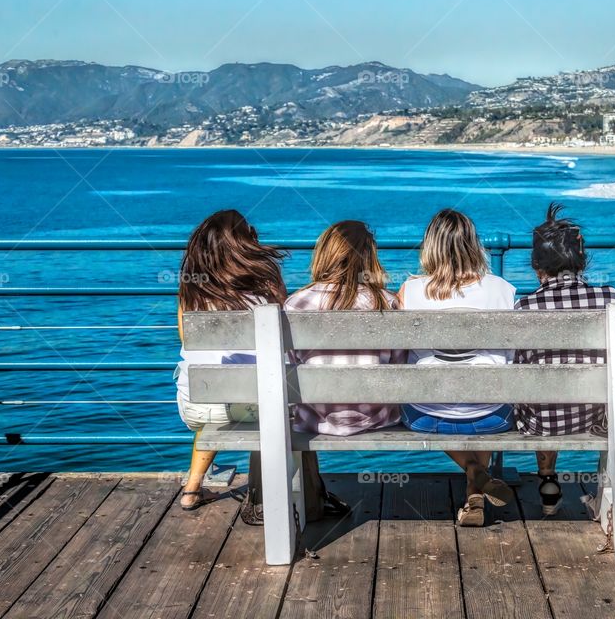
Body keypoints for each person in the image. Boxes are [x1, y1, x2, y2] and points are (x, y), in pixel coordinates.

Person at [397, 209, 516, 527]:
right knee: (489, 387)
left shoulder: (410, 291)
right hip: (492, 419)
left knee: (420, 398)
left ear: (430, 247)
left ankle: (474, 473)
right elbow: (510, 355)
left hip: (427, 418)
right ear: (473, 246)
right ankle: (474, 484)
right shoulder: (502, 289)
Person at [514, 202, 615, 515]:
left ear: (537, 266)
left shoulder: (525, 307)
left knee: (541, 388)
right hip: (599, 417)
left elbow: (521, 370)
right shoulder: (611, 298)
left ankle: (547, 478)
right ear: (581, 262)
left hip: (542, 422)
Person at [174, 209, 287, 510]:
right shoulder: (267, 283)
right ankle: (269, 493)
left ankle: (192, 489)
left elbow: (186, 339)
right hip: (254, 406)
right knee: (272, 401)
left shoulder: (190, 289)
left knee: (216, 397)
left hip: (195, 404)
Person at [285, 220, 404, 435]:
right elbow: (399, 364)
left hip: (315, 417)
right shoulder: (386, 303)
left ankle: (310, 471)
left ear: (324, 255)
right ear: (370, 258)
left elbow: (294, 361)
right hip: (378, 417)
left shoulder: (296, 304)